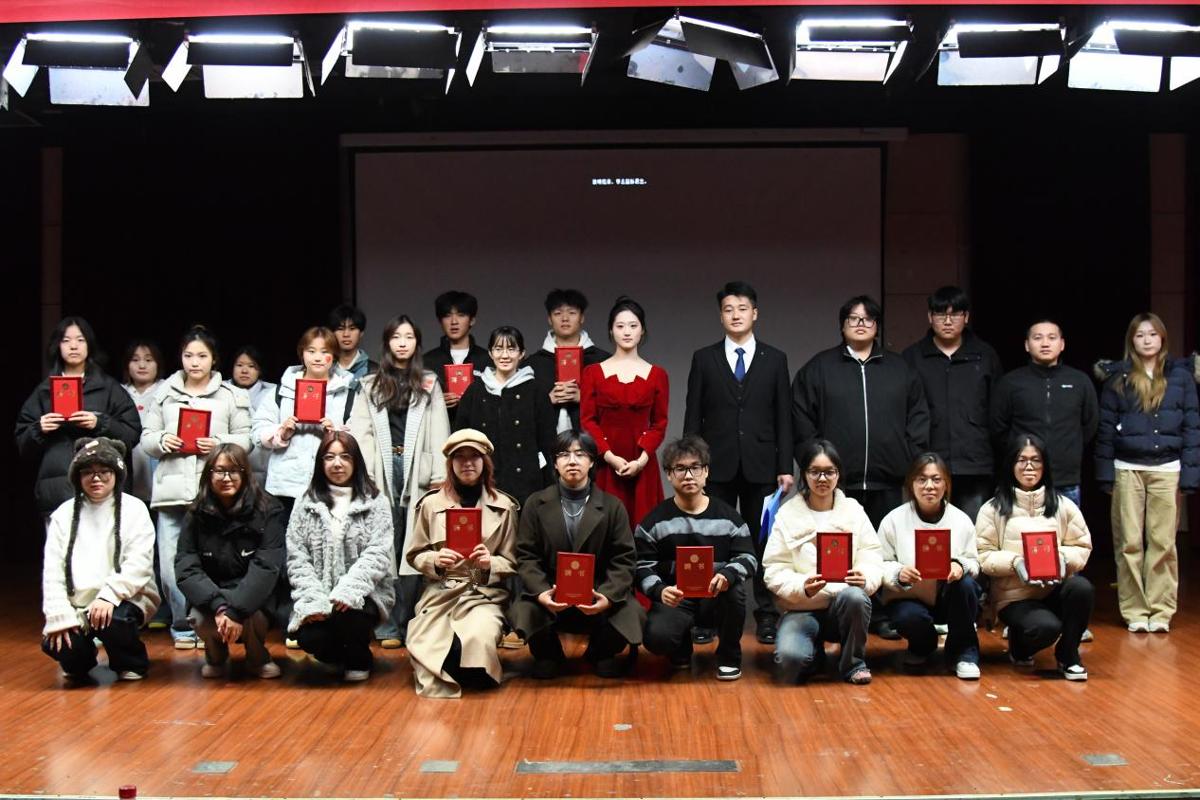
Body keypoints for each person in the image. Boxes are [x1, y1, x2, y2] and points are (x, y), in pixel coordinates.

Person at [683, 281, 794, 645]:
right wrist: (691, 465)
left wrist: (785, 467)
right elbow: (693, 416)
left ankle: (766, 616)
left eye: (742, 308)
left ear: (755, 313)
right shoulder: (704, 358)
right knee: (711, 541)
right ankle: (707, 616)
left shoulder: (775, 359)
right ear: (721, 316)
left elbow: (783, 417)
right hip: (715, 466)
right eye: (728, 309)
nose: (736, 315)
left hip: (762, 467)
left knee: (763, 542)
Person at [140, 326, 253, 648]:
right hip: (172, 493)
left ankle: (209, 626)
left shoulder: (231, 395)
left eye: (202, 355)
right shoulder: (164, 393)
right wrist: (163, 440)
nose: (194, 362)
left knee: (212, 564)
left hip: (215, 494)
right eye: (188, 355)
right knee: (169, 568)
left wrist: (219, 443)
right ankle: (183, 625)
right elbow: (146, 438)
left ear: (213, 359)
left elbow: (246, 440)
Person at [349, 315, 450, 648]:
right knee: (383, 544)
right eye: (396, 337)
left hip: (418, 469)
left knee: (416, 545)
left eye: (408, 336)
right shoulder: (369, 384)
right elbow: (361, 432)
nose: (402, 343)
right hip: (381, 468)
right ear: (387, 343)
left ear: (417, 342)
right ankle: (386, 624)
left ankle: (411, 622)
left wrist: (439, 474)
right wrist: (364, 475)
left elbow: (440, 429)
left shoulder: (429, 382)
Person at [1095, 312, 1199, 633]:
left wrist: (1190, 475)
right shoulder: (1118, 377)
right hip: (1127, 468)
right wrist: (1105, 474)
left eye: (1152, 334)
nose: (1147, 340)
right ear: (1132, 341)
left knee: (1163, 543)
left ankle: (1161, 611)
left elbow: (1192, 426)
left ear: (1162, 338)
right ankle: (1135, 611)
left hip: (1168, 469)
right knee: (1128, 542)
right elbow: (1105, 428)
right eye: (1140, 335)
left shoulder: (1181, 376)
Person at [509, 430, 644, 679]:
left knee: (632, 612)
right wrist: (542, 593)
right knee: (523, 609)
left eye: (580, 454)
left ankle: (600, 653)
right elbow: (526, 556)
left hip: (597, 593)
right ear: (555, 463)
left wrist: (607, 596)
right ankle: (549, 655)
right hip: (551, 593)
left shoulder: (612, 506)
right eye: (564, 454)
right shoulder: (535, 503)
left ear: (592, 462)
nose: (572, 461)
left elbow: (624, 559)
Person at [792, 295, 930, 529]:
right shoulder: (819, 368)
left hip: (889, 484)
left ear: (877, 326)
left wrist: (908, 460)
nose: (861, 324)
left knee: (885, 548)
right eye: (853, 318)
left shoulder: (901, 369)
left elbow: (918, 417)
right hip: (835, 484)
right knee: (837, 548)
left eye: (868, 319)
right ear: (842, 325)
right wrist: (816, 462)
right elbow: (801, 420)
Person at [405, 429, 519, 697]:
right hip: (440, 592)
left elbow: (512, 562)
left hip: (483, 593)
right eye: (460, 457)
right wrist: (435, 560)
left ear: (485, 462)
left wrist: (490, 563)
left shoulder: (504, 506)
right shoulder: (430, 504)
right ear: (450, 463)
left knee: (475, 643)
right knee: (434, 648)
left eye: (474, 456)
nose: (467, 463)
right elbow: (415, 554)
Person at [636, 435, 756, 681]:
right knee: (657, 638)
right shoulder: (654, 521)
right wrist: (660, 590)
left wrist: (727, 575)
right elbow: (641, 566)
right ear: (669, 475)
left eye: (695, 468)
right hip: (677, 598)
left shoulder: (728, 517)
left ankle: (729, 657)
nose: (688, 475)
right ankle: (680, 648)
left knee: (735, 589)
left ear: (706, 472)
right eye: (680, 469)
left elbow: (748, 557)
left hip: (715, 595)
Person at [763, 439, 881, 685]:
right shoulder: (787, 514)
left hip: (842, 604)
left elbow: (871, 555)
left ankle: (853, 663)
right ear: (804, 475)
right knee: (790, 660)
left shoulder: (853, 510)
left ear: (838, 474)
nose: (822, 479)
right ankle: (813, 653)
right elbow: (773, 568)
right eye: (815, 472)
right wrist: (803, 586)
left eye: (829, 472)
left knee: (856, 597)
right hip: (802, 607)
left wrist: (864, 577)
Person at [41, 437, 159, 682]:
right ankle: (82, 659)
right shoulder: (63, 514)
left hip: (126, 597)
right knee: (58, 641)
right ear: (77, 477)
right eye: (87, 472)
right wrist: (58, 614)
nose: (96, 478)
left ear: (116, 474)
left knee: (113, 620)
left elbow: (139, 563)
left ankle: (130, 662)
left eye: (104, 471)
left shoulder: (134, 508)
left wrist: (109, 595)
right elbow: (53, 571)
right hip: (78, 602)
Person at [977, 434, 1094, 680]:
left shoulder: (1063, 505)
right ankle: (1020, 646)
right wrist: (1015, 563)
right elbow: (982, 554)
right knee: (1046, 628)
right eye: (1021, 460)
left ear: (1045, 465)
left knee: (1082, 588)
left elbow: (1082, 545)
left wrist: (1062, 559)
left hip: (1053, 588)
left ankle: (1068, 655)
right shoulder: (992, 508)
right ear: (1011, 464)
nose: (1029, 466)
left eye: (1036, 460)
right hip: (1014, 596)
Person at [287, 430, 395, 681]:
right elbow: (297, 557)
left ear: (356, 462)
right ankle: (341, 655)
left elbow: (378, 553)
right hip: (319, 591)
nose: (337, 464)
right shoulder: (305, 502)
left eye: (345, 456)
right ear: (320, 463)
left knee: (349, 617)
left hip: (365, 593)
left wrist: (349, 591)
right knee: (309, 637)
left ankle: (359, 659)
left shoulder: (375, 501)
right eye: (329, 457)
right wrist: (313, 600)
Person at [175, 444, 288, 679]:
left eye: (234, 471)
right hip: (212, 594)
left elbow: (266, 567)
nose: (226, 478)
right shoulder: (195, 513)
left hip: (252, 595)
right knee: (199, 618)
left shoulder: (269, 510)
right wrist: (219, 605)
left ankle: (257, 657)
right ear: (209, 475)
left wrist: (235, 610)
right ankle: (215, 656)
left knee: (253, 616)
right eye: (219, 471)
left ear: (245, 473)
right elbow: (186, 567)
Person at [16, 316, 141, 520]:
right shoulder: (44, 391)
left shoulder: (108, 388)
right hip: (57, 491)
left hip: (102, 490)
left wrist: (100, 423)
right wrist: (39, 429)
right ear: (58, 346)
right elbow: (22, 444)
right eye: (66, 340)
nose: (73, 346)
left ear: (89, 345)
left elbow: (132, 434)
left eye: (80, 340)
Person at [877, 452, 982, 680]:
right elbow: (879, 563)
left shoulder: (961, 520)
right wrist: (898, 573)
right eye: (921, 479)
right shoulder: (893, 520)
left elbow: (975, 561)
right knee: (907, 617)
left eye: (936, 479)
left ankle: (963, 652)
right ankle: (922, 646)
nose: (929, 486)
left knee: (966, 585)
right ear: (911, 484)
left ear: (946, 484)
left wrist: (960, 566)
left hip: (949, 596)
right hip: (910, 597)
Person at [902, 286, 1003, 521]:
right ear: (930, 317)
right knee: (928, 533)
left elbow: (997, 412)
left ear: (966, 317)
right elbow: (903, 412)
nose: (948, 321)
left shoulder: (985, 356)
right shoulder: (912, 357)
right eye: (940, 314)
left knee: (973, 530)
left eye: (955, 314)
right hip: (927, 464)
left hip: (975, 463)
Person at [990, 318, 1099, 508]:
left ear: (1062, 344)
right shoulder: (1010, 382)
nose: (1045, 343)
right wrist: (1020, 452)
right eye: (1038, 338)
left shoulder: (1079, 381)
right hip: (1022, 479)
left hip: (1066, 478)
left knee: (1068, 528)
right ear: (1027, 345)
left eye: (1052, 337)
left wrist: (1069, 448)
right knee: (1018, 527)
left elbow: (1090, 424)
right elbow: (998, 427)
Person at [580, 296, 669, 528]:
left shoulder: (657, 375)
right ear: (611, 331)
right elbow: (588, 421)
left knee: (644, 527)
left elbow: (659, 424)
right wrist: (610, 457)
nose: (627, 332)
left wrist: (640, 461)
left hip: (642, 463)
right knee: (605, 527)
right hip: (605, 463)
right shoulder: (593, 373)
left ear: (642, 330)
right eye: (620, 326)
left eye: (633, 325)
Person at [252, 327, 356, 513]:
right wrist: (281, 432)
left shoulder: (347, 394)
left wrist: (335, 435)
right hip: (285, 485)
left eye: (325, 352)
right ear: (302, 354)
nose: (317, 358)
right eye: (311, 351)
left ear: (334, 355)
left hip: (330, 485)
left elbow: (359, 435)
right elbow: (257, 431)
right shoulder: (281, 391)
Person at [453, 326, 556, 503]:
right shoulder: (475, 390)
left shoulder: (536, 391)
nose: (505, 355)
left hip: (527, 482)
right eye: (499, 349)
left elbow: (548, 442)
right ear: (490, 353)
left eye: (511, 349)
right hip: (483, 480)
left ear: (522, 353)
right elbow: (460, 437)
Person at [523, 288, 611, 434]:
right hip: (546, 442)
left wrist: (585, 398)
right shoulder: (532, 365)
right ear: (549, 319)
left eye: (572, 313)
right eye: (558, 313)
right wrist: (546, 401)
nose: (565, 318)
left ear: (582, 318)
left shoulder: (603, 361)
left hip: (592, 442)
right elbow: (519, 413)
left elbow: (617, 409)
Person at [424, 291, 489, 420]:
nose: (454, 321)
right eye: (447, 316)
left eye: (461, 315)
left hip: (478, 430)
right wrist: (436, 402)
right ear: (440, 321)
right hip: (440, 428)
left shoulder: (487, 359)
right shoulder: (427, 361)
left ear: (472, 320)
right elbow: (416, 404)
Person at [122, 339, 165, 504]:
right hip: (129, 469)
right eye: (135, 360)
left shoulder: (167, 390)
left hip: (159, 472)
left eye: (148, 360)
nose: (142, 365)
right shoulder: (119, 392)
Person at [226, 345, 276, 487]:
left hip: (262, 465)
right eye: (239, 365)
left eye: (251, 366)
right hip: (228, 462)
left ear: (260, 370)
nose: (244, 371)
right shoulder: (221, 390)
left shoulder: (273, 392)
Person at [328, 304, 378, 388]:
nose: (346, 334)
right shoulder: (324, 368)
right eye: (340, 329)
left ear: (361, 333)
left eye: (352, 329)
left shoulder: (374, 370)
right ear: (332, 333)